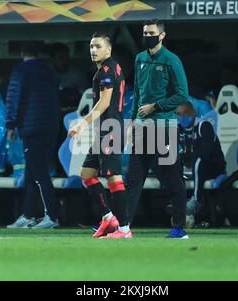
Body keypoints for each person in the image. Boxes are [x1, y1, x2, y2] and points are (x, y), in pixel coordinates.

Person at [126, 19, 189, 239]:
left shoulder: (172, 60)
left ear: (162, 36)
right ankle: (123, 227)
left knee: (172, 179)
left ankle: (179, 229)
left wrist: (155, 106)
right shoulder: (140, 59)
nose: (147, 36)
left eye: (151, 33)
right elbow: (138, 93)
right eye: (144, 32)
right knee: (133, 178)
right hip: (143, 128)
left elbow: (182, 95)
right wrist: (133, 120)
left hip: (163, 126)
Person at [68, 32, 132, 239]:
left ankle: (124, 229)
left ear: (109, 49)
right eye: (91, 47)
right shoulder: (106, 70)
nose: (93, 50)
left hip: (111, 129)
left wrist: (82, 124)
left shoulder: (107, 70)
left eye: (97, 46)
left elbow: (105, 102)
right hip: (104, 130)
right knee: (87, 174)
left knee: (113, 177)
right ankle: (107, 217)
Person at [6, 41, 61, 230]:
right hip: (51, 126)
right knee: (31, 172)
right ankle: (29, 214)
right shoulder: (49, 70)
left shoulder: (20, 71)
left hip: (31, 127)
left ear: (22, 52)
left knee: (38, 172)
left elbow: (14, 97)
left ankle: (52, 216)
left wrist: (10, 124)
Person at [177, 101, 226, 223]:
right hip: (194, 167)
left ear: (193, 113)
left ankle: (196, 200)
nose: (182, 117)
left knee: (199, 160)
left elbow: (205, 153)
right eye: (179, 114)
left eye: (185, 113)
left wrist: (188, 157)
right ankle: (177, 200)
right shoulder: (179, 129)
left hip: (213, 166)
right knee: (172, 162)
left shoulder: (203, 126)